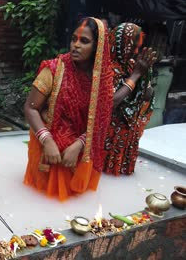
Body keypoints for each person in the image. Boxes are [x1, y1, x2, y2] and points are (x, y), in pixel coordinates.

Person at [23, 17, 114, 201]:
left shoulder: (102, 80)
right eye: (74, 39)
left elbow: (100, 119)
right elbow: (30, 108)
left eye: (84, 41)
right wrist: (48, 141)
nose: (76, 45)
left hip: (80, 151)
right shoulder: (54, 69)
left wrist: (79, 145)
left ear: (97, 47)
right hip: (49, 152)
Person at [103, 23, 157, 176]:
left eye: (138, 47)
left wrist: (146, 74)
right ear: (120, 44)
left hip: (127, 135)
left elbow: (147, 95)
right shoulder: (106, 68)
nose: (135, 51)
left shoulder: (133, 65)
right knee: (103, 177)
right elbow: (111, 102)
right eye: (132, 46)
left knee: (121, 178)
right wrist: (135, 76)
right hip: (108, 135)